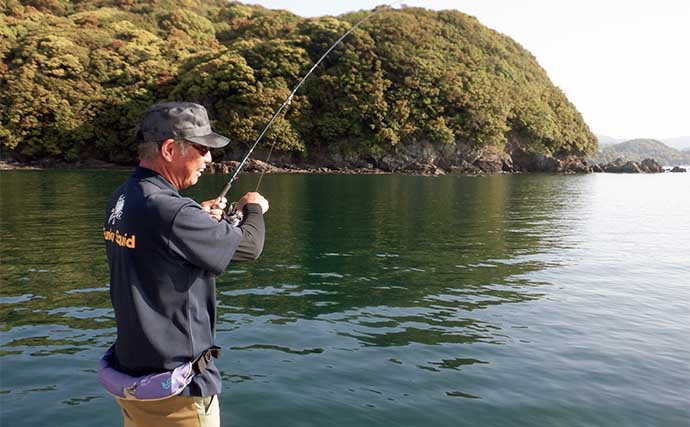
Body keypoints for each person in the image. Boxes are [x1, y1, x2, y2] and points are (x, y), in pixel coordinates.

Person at [102, 102, 269, 427]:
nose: (210, 159)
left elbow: (157, 241)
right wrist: (254, 208)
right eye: (202, 148)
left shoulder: (124, 197)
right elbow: (250, 246)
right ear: (168, 149)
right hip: (177, 394)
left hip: (133, 382)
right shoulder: (174, 213)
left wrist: (197, 215)